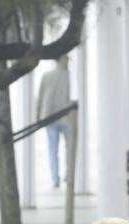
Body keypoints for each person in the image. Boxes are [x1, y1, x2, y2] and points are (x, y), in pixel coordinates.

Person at [37, 56, 72, 190]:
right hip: (66, 117)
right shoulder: (70, 77)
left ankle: (55, 178)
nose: (68, 60)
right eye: (67, 58)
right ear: (62, 59)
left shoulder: (46, 76)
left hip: (50, 116)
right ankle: (67, 175)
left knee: (53, 149)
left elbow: (40, 97)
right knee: (68, 148)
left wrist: (38, 116)